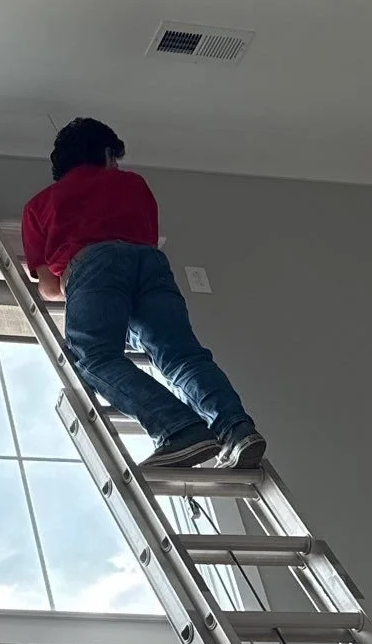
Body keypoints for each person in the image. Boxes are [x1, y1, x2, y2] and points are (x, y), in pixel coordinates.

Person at [20, 117, 264, 470]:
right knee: (181, 356)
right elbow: (135, 245)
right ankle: (237, 429)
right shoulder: (134, 185)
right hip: (150, 263)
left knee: (95, 357)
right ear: (106, 154)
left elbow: (49, 287)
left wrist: (73, 288)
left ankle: (180, 428)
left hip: (90, 266)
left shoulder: (40, 205)